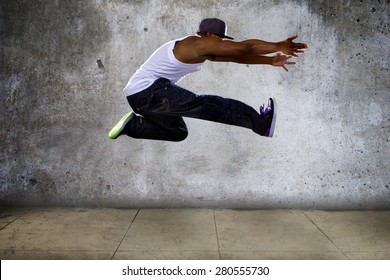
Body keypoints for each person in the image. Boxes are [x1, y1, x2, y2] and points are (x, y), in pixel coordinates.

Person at [108, 18, 307, 141]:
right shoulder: (195, 44)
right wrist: (277, 45)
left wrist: (270, 61)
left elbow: (236, 57)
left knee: (178, 133)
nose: (220, 43)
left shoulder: (203, 51)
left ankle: (133, 125)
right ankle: (260, 124)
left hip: (140, 98)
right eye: (218, 39)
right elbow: (243, 47)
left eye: (221, 40)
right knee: (205, 105)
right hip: (149, 91)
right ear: (208, 35)